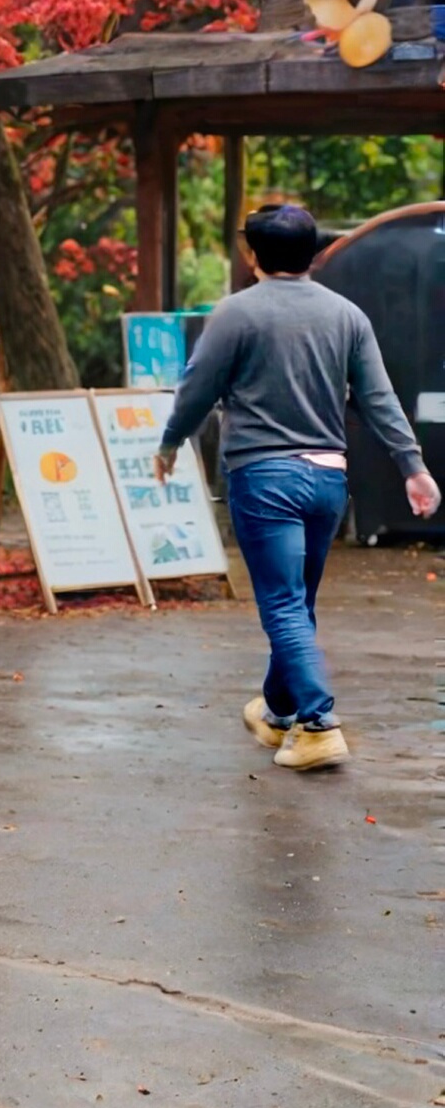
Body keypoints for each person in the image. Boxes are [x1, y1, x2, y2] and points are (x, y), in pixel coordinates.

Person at [157, 195, 437, 770]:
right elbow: (379, 399)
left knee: (284, 605)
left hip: (266, 480)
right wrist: (414, 467)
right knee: (296, 604)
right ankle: (280, 709)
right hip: (328, 480)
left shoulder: (235, 313)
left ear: (253, 253)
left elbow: (197, 389)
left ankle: (317, 723)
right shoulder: (346, 315)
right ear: (311, 253)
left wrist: (168, 445)